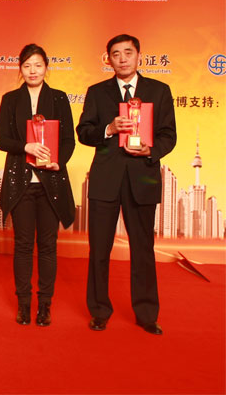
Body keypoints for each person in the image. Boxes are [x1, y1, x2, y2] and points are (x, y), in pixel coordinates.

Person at [77, 34, 176, 335]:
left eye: (128, 53)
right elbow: (84, 131)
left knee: (143, 249)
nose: (122, 59)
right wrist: (108, 129)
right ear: (108, 59)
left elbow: (168, 135)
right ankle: (99, 311)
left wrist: (150, 150)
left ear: (139, 56)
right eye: (116, 54)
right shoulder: (97, 92)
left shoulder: (159, 90)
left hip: (142, 178)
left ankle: (147, 314)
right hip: (105, 180)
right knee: (99, 249)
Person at [0, 43, 75, 327]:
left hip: (50, 181)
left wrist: (58, 162)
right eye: (27, 65)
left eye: (38, 65)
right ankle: (23, 304)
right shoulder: (10, 99)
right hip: (21, 181)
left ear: (46, 68)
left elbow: (68, 140)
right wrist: (25, 146)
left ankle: (44, 305)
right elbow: (2, 140)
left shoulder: (59, 98)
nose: (32, 71)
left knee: (48, 246)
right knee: (23, 245)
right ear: (20, 68)